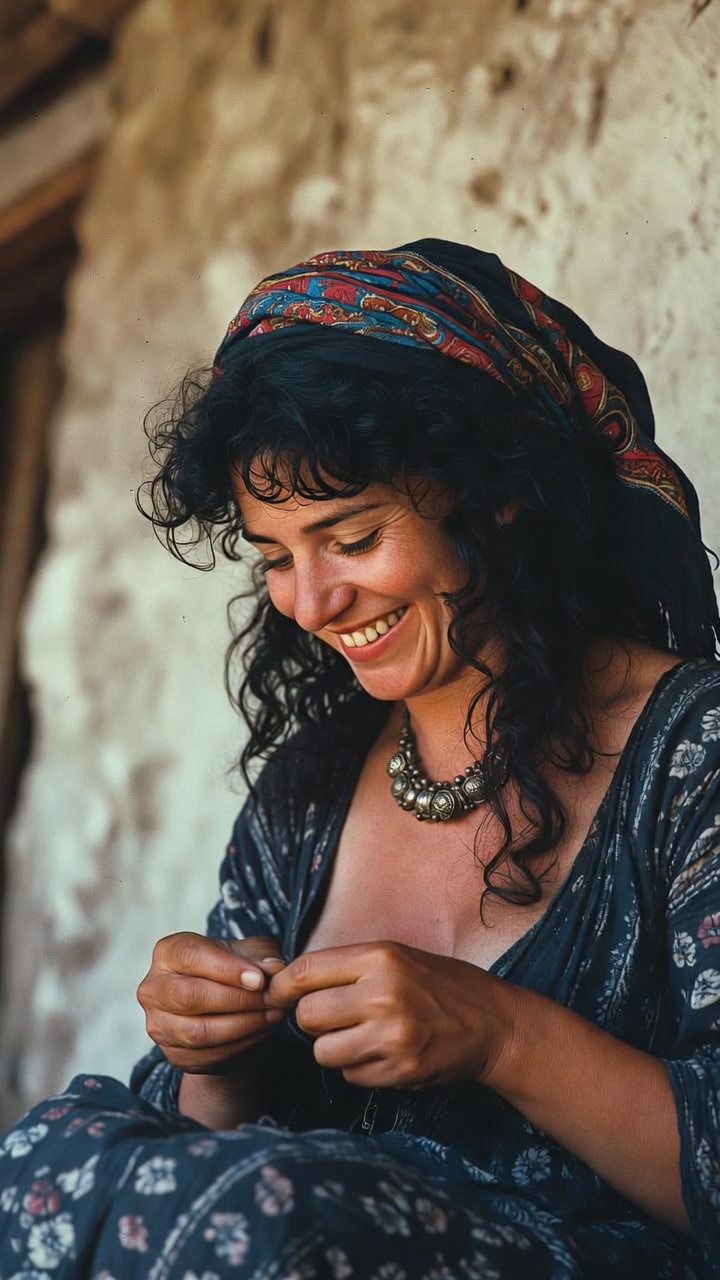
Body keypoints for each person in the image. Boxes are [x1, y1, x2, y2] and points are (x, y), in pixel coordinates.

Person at [1, 240, 719, 1279]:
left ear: (496, 492)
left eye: (351, 537)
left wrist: (500, 1033)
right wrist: (216, 1059)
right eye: (275, 556)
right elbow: (200, 1183)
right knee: (49, 1156)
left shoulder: (694, 752)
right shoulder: (308, 791)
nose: (312, 602)